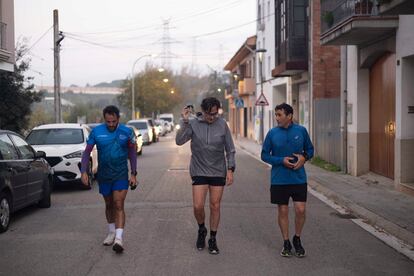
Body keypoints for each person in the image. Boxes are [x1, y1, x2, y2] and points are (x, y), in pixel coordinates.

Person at [176, 97, 236, 255]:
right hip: (199, 170)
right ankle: (202, 228)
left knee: (215, 205)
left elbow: (230, 149)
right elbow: (179, 141)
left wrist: (230, 169)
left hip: (217, 170)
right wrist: (184, 121)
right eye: (209, 114)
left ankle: (213, 238)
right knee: (198, 206)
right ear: (203, 112)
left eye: (215, 114)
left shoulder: (222, 124)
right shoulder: (194, 123)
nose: (212, 117)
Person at [81, 105, 138, 254]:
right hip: (104, 175)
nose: (111, 124)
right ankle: (111, 232)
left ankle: (119, 239)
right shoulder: (97, 132)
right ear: (104, 120)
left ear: (118, 119)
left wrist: (133, 173)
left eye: (114, 121)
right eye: (108, 122)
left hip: (120, 174)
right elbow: (87, 152)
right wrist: (83, 172)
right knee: (109, 204)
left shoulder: (127, 131)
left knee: (118, 204)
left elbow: (132, 152)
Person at [261, 103, 314, 258]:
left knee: (300, 210)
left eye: (279, 115)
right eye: (276, 115)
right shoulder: (272, 133)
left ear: (289, 116)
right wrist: (280, 160)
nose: (276, 117)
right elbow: (264, 155)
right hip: (279, 180)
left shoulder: (301, 131)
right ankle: (286, 242)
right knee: (283, 211)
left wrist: (304, 158)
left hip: (298, 178)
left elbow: (310, 150)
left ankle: (297, 239)